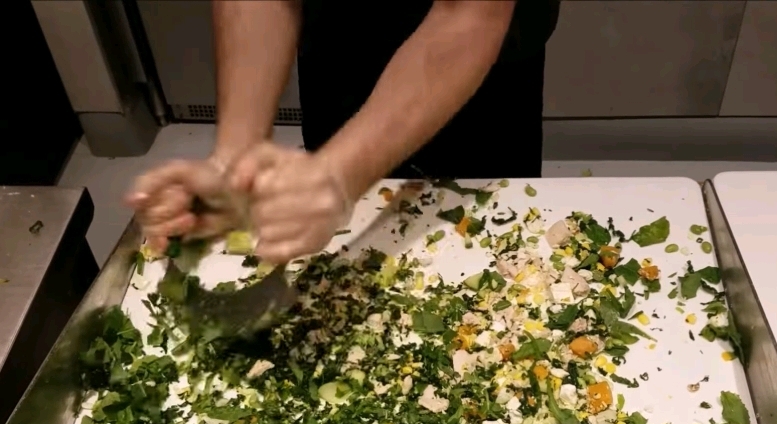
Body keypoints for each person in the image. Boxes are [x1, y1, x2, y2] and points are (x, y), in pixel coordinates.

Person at [128, 0, 560, 264]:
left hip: (476, 76)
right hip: (338, 43)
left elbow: (469, 14)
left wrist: (339, 173)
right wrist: (234, 161)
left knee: (490, 248)